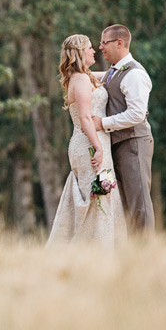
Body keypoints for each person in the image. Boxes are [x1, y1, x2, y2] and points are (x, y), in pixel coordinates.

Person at [46, 34, 128, 248]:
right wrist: (99, 149)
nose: (94, 51)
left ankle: (104, 247)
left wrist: (130, 67)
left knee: (104, 195)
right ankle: (91, 249)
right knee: (97, 199)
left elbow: (112, 75)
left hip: (98, 145)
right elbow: (84, 118)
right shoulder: (81, 80)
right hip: (90, 147)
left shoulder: (86, 76)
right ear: (80, 53)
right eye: (90, 48)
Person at [92, 24, 155, 233]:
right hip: (118, 145)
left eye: (104, 43)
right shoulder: (115, 72)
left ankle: (146, 253)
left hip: (134, 143)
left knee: (139, 203)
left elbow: (137, 114)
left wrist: (103, 123)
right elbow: (95, 77)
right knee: (124, 205)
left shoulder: (134, 74)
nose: (100, 47)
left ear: (120, 43)